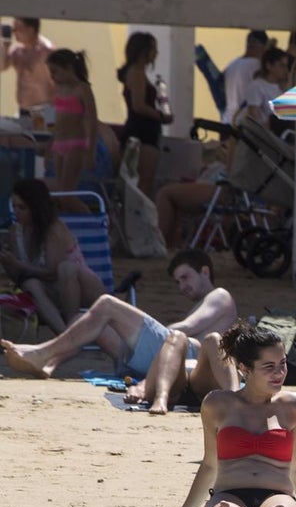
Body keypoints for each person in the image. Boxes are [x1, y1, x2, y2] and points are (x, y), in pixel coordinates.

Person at [159, 322, 296, 507]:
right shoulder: (218, 404)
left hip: (277, 495)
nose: (279, 373)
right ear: (245, 368)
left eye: (282, 364)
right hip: (229, 494)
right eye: (269, 366)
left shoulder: (295, 407)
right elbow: (209, 465)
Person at [3, 249, 237, 380]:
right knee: (81, 321)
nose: (181, 287)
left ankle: (41, 352)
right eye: (178, 281)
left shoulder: (220, 295)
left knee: (107, 305)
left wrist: (135, 321)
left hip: (187, 357)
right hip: (169, 358)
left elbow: (185, 328)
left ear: (205, 271)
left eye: (185, 278)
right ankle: (48, 364)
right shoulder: (207, 301)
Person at [0, 178, 104, 333]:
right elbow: (19, 278)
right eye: (14, 207)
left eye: (22, 207)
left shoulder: (54, 229)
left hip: (82, 289)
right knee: (30, 284)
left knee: (66, 268)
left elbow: (51, 273)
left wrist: (16, 263)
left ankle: (72, 326)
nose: (17, 212)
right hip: (51, 294)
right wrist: (6, 261)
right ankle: (65, 335)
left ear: (36, 208)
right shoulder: (16, 232)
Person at [117, 32, 172, 200]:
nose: (156, 53)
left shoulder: (138, 72)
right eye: (153, 49)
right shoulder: (136, 72)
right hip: (142, 131)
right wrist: (160, 116)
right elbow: (138, 106)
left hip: (145, 130)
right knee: (143, 182)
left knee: (143, 180)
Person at [43, 49, 98, 193]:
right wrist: (49, 147)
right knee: (62, 192)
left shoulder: (83, 90)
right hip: (58, 144)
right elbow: (55, 122)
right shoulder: (58, 89)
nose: (52, 77)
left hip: (75, 145)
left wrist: (90, 152)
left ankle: (95, 215)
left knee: (67, 193)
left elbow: (93, 122)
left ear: (68, 68)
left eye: (55, 72)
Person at [0, 17, 54, 113]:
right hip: (23, 109)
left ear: (30, 30)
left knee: (41, 128)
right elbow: (2, 66)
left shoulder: (45, 51)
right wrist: (5, 44)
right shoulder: (18, 51)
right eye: (13, 29)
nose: (14, 33)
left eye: (18, 29)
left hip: (42, 110)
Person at [222, 30, 269, 127]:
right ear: (262, 46)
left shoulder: (232, 64)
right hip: (246, 124)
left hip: (228, 120)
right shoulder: (257, 65)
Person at [239, 46, 289, 129]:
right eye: (281, 65)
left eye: (286, 66)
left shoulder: (281, 87)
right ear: (269, 66)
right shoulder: (257, 87)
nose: (285, 70)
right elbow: (253, 117)